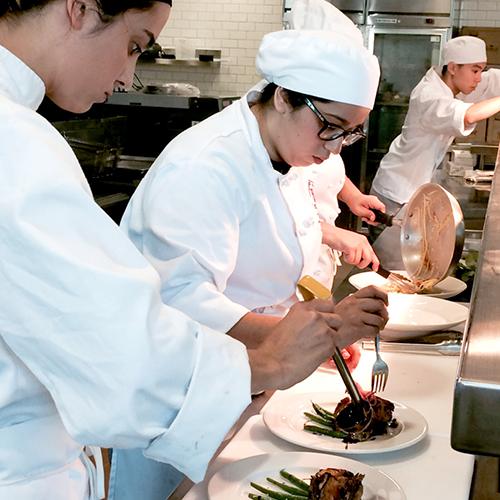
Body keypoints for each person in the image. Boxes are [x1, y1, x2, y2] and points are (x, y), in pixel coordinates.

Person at [0, 1, 385, 499]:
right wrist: (272, 358)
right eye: (135, 45)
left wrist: (293, 344)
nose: (127, 77)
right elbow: (126, 356)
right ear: (80, 8)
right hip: (43, 461)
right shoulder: (18, 145)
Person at [117, 2, 389, 497]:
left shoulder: (286, 152)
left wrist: (307, 339)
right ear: (284, 97)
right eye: (331, 126)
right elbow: (178, 301)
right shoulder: (206, 166)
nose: (335, 147)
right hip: (186, 398)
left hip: (250, 385)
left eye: (351, 132)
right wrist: (296, 339)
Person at [370, 35, 500, 227]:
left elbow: (493, 80)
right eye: (475, 70)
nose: (479, 78)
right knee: (389, 255)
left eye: (481, 70)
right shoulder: (429, 95)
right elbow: (469, 115)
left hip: (412, 189)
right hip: (396, 194)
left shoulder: (455, 84)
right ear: (454, 67)